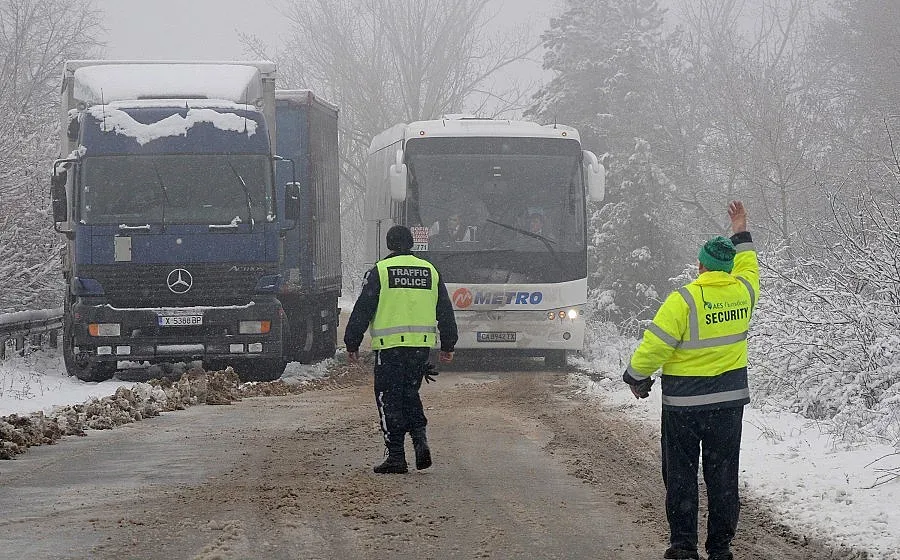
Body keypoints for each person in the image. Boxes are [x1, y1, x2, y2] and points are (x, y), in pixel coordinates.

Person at [622, 201, 758, 560]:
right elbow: (749, 266)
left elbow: (656, 345)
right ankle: (721, 548)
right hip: (728, 407)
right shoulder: (744, 293)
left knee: (681, 477)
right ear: (728, 268)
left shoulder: (683, 300)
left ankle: (683, 547)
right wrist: (740, 231)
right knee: (723, 477)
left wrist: (636, 376)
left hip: (684, 407)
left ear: (700, 265)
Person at [344, 225, 459, 474]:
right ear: (412, 244)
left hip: (390, 348)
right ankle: (420, 440)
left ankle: (396, 455)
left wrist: (352, 342)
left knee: (388, 398)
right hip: (420, 348)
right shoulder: (430, 270)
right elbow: (445, 311)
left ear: (389, 244)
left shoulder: (381, 271)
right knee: (410, 393)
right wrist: (448, 344)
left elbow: (363, 308)